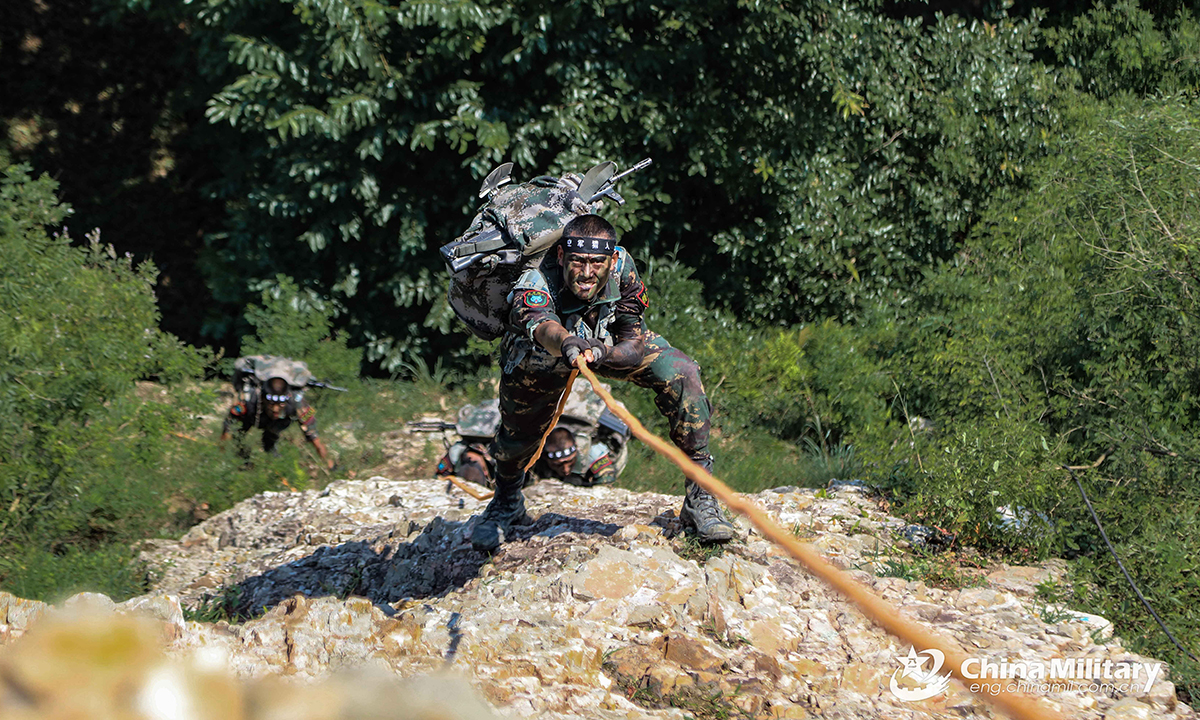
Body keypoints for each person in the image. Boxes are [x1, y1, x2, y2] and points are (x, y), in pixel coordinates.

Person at [470, 213, 737, 551]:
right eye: (578, 261)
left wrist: (602, 353)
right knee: (518, 434)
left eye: (596, 262)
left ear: (611, 260)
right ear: (562, 257)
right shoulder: (535, 279)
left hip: (604, 343)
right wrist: (566, 342)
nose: (586, 272)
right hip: (541, 353)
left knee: (682, 372)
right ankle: (506, 502)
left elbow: (633, 340)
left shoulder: (623, 268)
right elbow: (542, 327)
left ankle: (701, 500)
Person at [437, 383, 631, 488]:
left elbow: (606, 480)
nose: (564, 468)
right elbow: (443, 467)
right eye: (558, 464)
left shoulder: (593, 452)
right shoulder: (528, 449)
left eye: (569, 462)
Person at [220, 376, 335, 470]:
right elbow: (228, 426)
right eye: (271, 403)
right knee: (237, 438)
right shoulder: (247, 400)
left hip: (278, 424)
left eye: (280, 404)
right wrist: (219, 459)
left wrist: (330, 465)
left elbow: (314, 437)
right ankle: (242, 462)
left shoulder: (298, 403)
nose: (275, 409)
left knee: (270, 443)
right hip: (252, 418)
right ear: (263, 399)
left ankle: (273, 462)